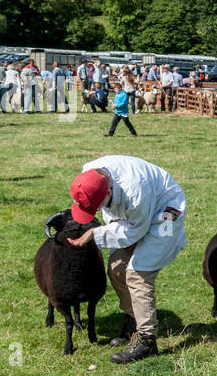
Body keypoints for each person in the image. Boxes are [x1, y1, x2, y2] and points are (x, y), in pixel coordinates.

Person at [65, 156, 188, 363]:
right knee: (117, 268)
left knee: (138, 273)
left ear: (109, 192)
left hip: (165, 212)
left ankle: (146, 340)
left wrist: (95, 234)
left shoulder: (135, 191)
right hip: (135, 215)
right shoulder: (89, 176)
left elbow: (134, 231)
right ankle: (134, 318)